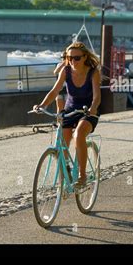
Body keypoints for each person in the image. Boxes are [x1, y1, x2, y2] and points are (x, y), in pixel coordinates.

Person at [33, 42, 101, 187]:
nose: (72, 61)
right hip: (70, 109)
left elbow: (97, 96)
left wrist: (93, 108)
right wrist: (42, 105)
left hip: (87, 110)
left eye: (76, 58)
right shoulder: (66, 70)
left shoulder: (93, 72)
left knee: (79, 135)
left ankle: (82, 176)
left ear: (84, 57)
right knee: (63, 141)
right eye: (69, 58)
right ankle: (67, 171)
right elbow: (55, 90)